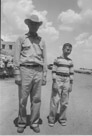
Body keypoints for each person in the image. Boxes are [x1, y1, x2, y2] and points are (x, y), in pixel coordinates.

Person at [14, 14, 47, 133]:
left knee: (36, 99)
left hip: (38, 71)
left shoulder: (42, 40)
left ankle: (34, 122)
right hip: (25, 70)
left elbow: (45, 58)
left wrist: (44, 75)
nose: (34, 26)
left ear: (38, 26)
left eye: (36, 24)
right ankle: (22, 122)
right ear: (28, 25)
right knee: (23, 99)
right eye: (32, 24)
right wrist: (17, 73)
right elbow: (16, 56)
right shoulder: (21, 38)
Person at [48, 43, 74, 127]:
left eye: (70, 50)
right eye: (67, 49)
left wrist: (71, 84)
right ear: (63, 49)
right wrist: (54, 82)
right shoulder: (57, 59)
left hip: (66, 80)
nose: (68, 51)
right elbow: (53, 71)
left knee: (65, 101)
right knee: (55, 100)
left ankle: (62, 118)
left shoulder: (70, 61)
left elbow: (71, 73)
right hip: (58, 79)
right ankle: (52, 119)